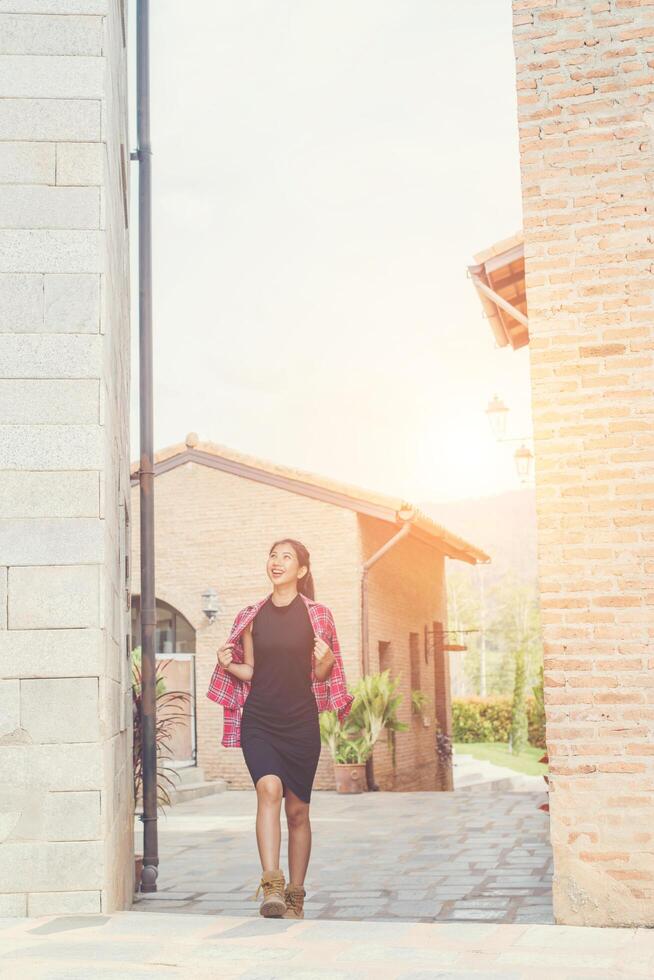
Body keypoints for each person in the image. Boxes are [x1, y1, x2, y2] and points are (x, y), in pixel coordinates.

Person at [207, 538, 353, 919]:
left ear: (301, 571)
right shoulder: (252, 616)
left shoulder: (318, 616)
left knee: (298, 812)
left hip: (300, 722)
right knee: (268, 788)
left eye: (286, 557)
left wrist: (329, 660)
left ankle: (296, 895)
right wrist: (227, 665)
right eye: (273, 555)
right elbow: (252, 671)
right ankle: (271, 885)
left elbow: (320, 675)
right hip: (260, 720)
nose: (276, 561)